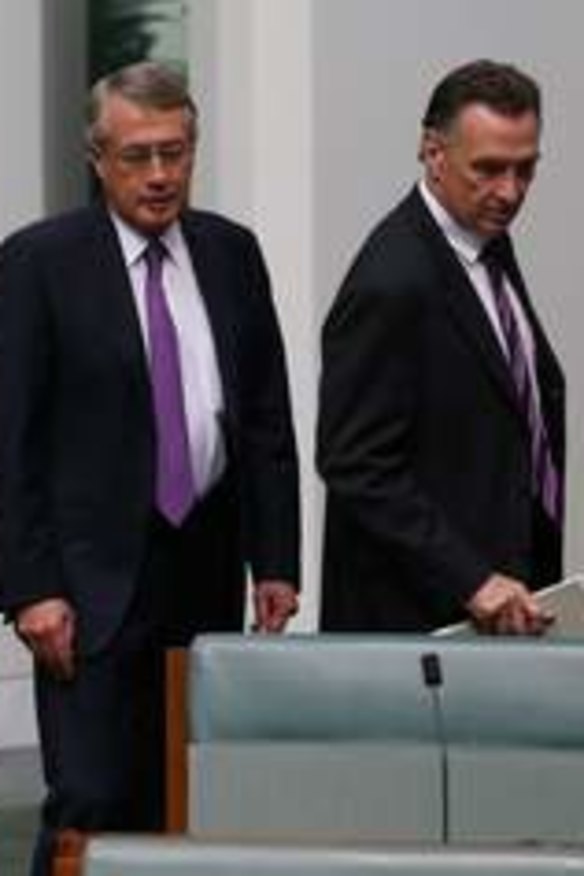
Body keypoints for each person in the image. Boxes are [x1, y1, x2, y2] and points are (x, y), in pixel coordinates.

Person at [0, 62, 300, 875]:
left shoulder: (232, 253)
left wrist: (275, 561)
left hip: (202, 574)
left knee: (187, 803)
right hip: (89, 590)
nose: (161, 175)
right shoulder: (38, 264)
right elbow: (9, 439)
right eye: (138, 155)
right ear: (98, 158)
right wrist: (30, 587)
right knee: (91, 801)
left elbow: (265, 418)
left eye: (176, 152)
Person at [317, 59, 564, 635]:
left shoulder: (483, 238)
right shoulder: (392, 277)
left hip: (503, 605)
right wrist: (471, 577)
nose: (510, 191)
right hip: (420, 629)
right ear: (432, 153)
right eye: (490, 169)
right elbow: (353, 463)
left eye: (526, 170)